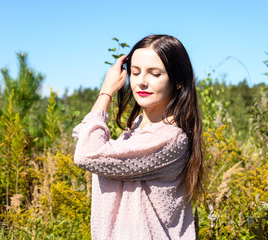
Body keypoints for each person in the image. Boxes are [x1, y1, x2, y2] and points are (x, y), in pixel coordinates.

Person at [72, 34, 203, 240]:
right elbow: (84, 135)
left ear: (177, 81)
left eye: (155, 74)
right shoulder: (138, 126)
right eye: (135, 72)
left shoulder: (169, 137)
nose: (141, 82)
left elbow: (87, 153)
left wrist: (106, 92)